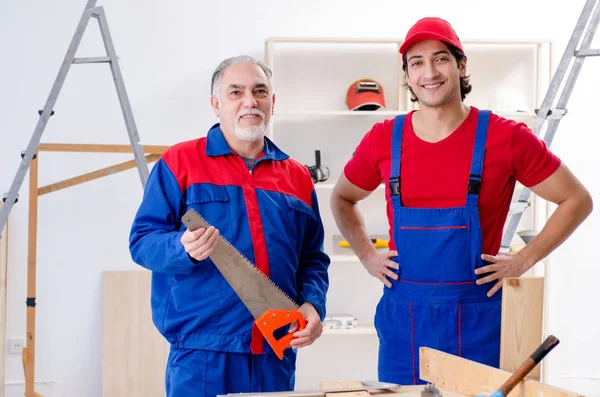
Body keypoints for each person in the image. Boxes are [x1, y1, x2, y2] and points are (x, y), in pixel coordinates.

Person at [330, 17, 593, 385]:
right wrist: (366, 255)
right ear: (407, 74)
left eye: (440, 59)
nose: (429, 72)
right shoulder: (383, 139)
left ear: (461, 65)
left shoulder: (506, 138)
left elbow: (576, 200)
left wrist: (524, 260)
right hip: (404, 323)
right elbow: (343, 197)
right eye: (416, 63)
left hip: (478, 322)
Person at [129, 55, 330, 397]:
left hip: (274, 351)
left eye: (259, 91)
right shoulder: (181, 162)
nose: (249, 101)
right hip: (203, 353)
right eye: (235, 92)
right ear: (216, 104)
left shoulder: (296, 176)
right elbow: (142, 242)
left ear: (272, 103)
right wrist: (182, 249)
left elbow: (313, 259)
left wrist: (312, 304)